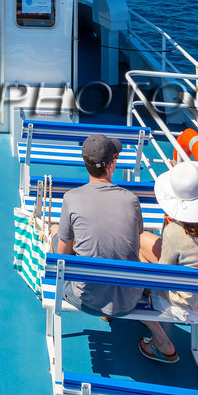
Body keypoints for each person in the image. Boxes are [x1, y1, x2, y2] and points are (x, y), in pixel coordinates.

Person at [137, 162, 198, 363]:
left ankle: (158, 338)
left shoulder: (174, 232)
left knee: (137, 250)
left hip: (185, 307)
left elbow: (162, 276)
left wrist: (168, 231)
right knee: (144, 242)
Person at [50, 134, 144, 317]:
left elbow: (62, 256)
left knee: (56, 232)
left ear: (86, 164)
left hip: (87, 299)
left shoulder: (71, 198)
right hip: (128, 299)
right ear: (112, 164)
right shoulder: (131, 200)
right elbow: (133, 244)